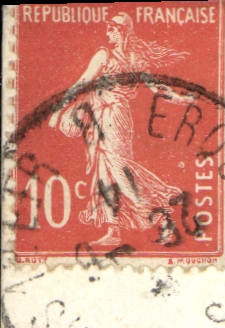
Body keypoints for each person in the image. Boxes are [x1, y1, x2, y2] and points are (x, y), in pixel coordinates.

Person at [50, 13, 190, 248]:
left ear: (123, 31)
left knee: (120, 169)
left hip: (116, 117)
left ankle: (161, 214)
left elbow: (155, 87)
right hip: (100, 116)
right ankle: (113, 228)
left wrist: (178, 97)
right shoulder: (104, 55)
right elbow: (82, 81)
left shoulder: (133, 59)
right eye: (108, 30)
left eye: (112, 30)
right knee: (105, 172)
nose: (108, 34)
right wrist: (58, 109)